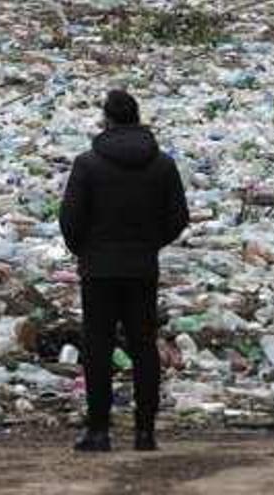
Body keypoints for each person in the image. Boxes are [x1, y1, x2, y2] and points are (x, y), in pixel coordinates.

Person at [58, 89, 189, 452]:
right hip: (141, 268)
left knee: (98, 347)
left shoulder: (87, 164)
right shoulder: (162, 164)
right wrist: (150, 244)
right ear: (137, 117)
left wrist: (85, 250)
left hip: (98, 270)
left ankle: (99, 431)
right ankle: (145, 433)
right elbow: (178, 217)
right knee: (144, 346)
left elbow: (70, 219)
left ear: (108, 119)